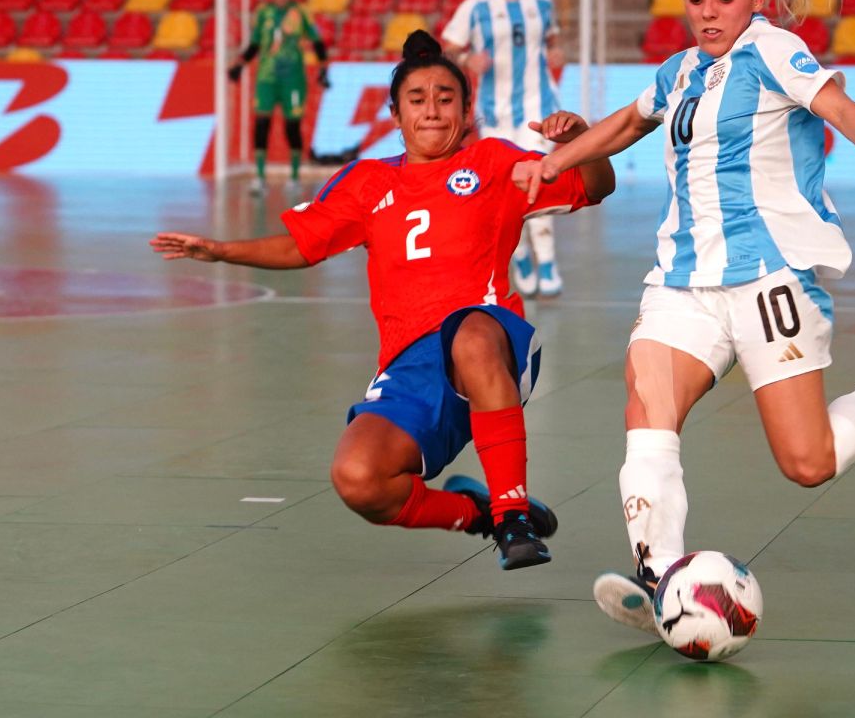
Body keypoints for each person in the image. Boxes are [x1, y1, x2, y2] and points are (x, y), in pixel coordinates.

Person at [511, 0, 855, 634]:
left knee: (808, 463)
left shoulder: (774, 50)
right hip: (682, 282)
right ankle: (663, 576)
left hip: (770, 279)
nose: (708, 12)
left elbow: (837, 107)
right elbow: (629, 122)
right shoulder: (680, 71)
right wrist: (556, 160)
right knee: (647, 406)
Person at [151, 31, 616, 569]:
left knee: (470, 334)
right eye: (417, 99)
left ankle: (513, 517)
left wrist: (582, 140)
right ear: (396, 115)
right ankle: (478, 514)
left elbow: (594, 186)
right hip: (409, 365)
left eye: (446, 98)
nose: (432, 110)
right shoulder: (367, 182)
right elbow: (301, 246)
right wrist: (219, 251)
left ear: (466, 112)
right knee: (358, 478)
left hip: (491, 342)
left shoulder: (493, 163)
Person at [443, 0, 567, 297]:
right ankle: (521, 253)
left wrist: (556, 52)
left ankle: (547, 260)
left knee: (538, 177)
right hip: (494, 112)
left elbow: (552, 39)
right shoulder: (474, 7)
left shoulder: (541, 3)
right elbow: (449, 49)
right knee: (507, 188)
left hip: (537, 107)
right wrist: (466, 60)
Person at [228, 0, 328, 192]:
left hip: (293, 79)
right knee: (261, 124)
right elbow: (255, 44)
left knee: (292, 127)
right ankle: (259, 177)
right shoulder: (263, 13)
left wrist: (323, 68)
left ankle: (294, 177)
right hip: (266, 78)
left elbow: (318, 41)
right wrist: (239, 65)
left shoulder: (300, 12)